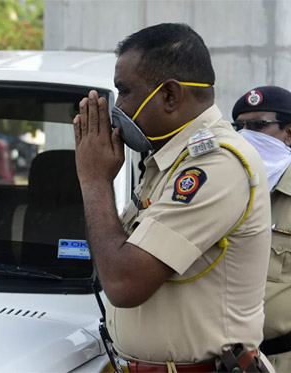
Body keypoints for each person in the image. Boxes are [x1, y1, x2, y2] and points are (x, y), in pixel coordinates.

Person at [73, 23, 273, 371]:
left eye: (126, 91)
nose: (118, 107)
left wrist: (94, 179)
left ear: (169, 96)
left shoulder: (216, 164)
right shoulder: (169, 161)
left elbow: (124, 282)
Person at [232, 86, 291, 372]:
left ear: (289, 134)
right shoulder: (224, 191)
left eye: (257, 126)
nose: (245, 136)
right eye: (239, 127)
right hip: (225, 360)